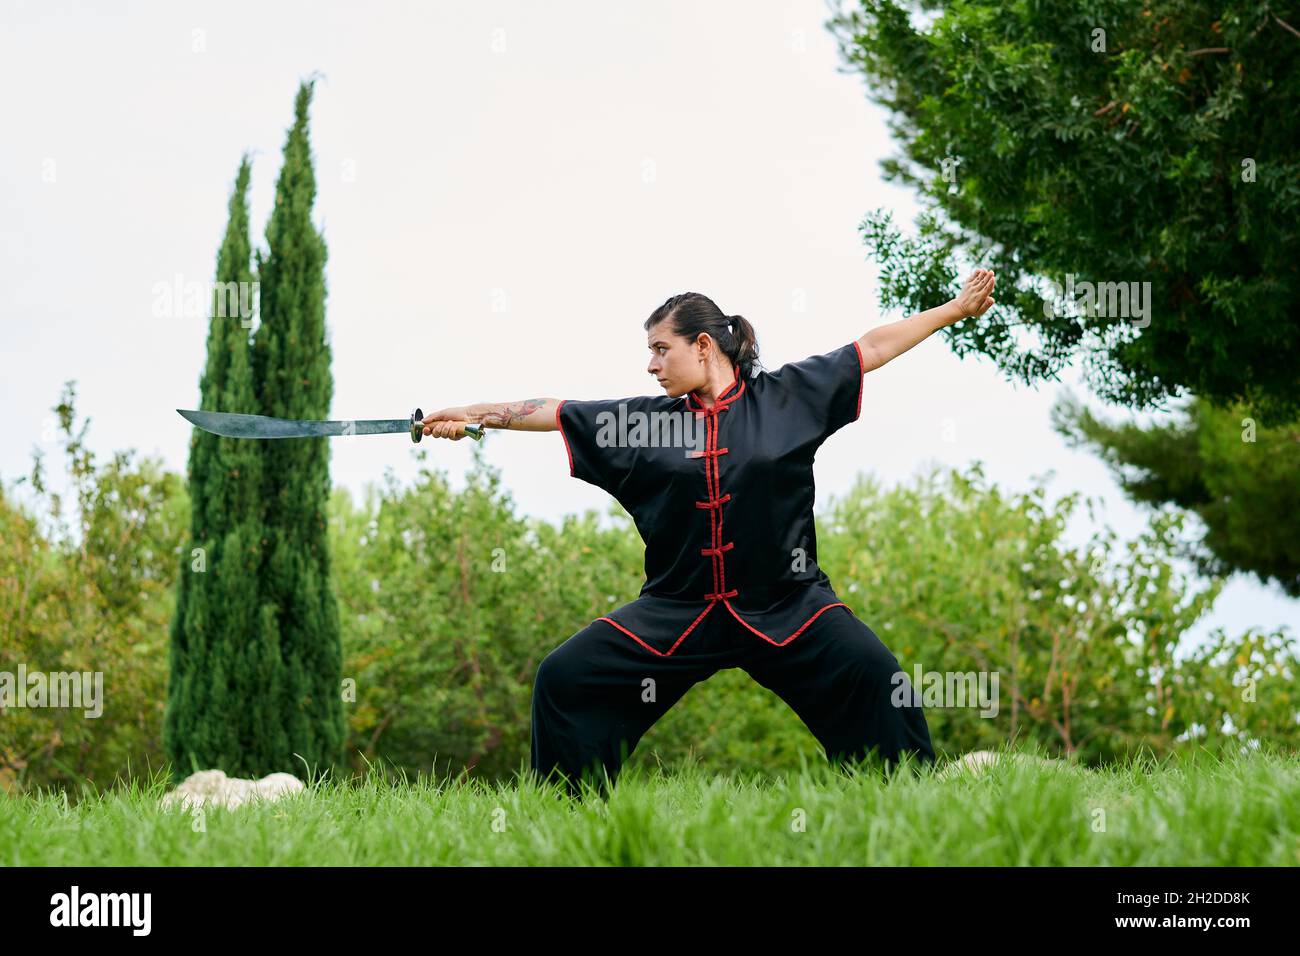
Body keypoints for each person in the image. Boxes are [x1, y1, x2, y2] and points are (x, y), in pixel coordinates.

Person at [420, 269, 998, 797]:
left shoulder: (790, 397)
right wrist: (470, 414)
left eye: (660, 349)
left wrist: (953, 309)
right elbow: (549, 409)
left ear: (703, 345)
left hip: (789, 607)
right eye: (650, 352)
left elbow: (869, 348)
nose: (651, 365)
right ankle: (564, 813)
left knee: (875, 676)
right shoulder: (642, 424)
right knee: (566, 677)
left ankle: (920, 797)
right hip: (678, 612)